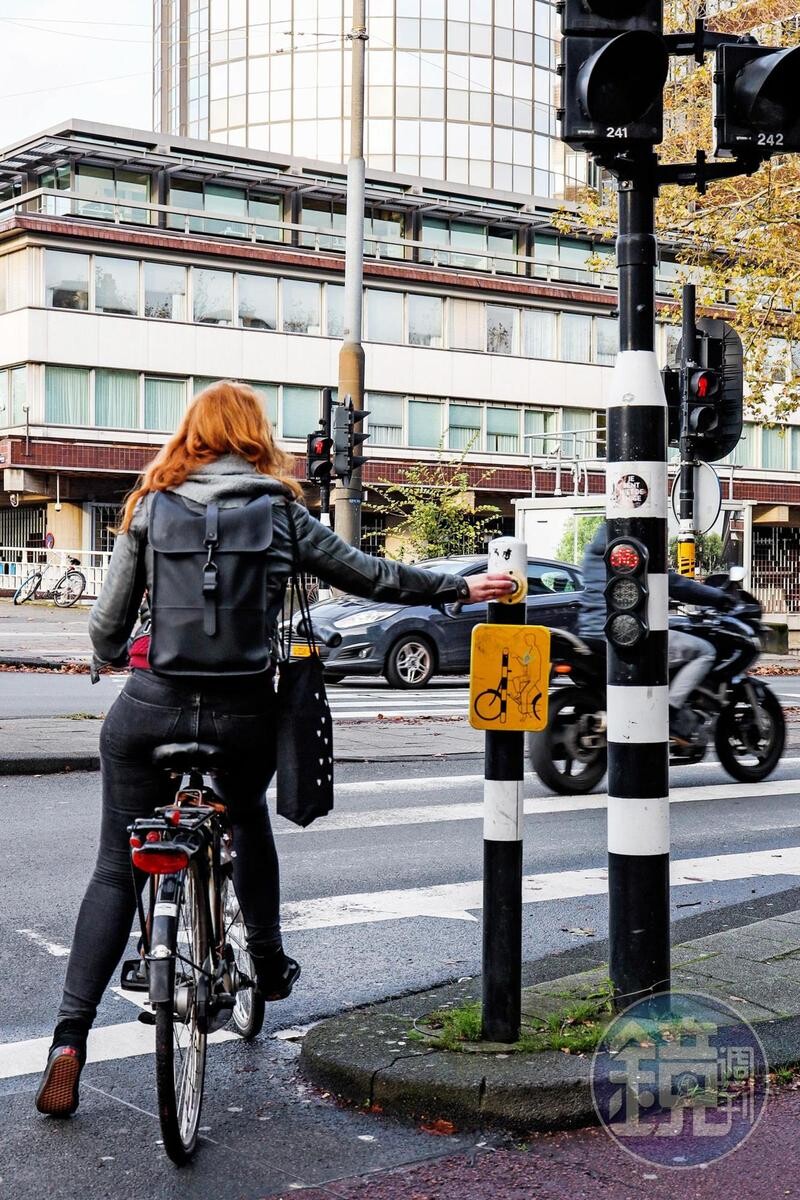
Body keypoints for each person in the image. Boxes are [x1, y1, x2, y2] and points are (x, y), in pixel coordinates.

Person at [36, 381, 515, 1118]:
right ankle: (265, 959)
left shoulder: (148, 506)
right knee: (246, 817)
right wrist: (461, 587)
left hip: (148, 711)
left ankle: (68, 1041)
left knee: (113, 868)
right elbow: (371, 576)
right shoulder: (282, 512)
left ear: (189, 437)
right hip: (242, 717)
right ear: (256, 437)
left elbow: (107, 624)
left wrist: (111, 651)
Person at [577, 523, 731, 742]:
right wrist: (717, 597)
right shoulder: (633, 551)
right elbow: (673, 583)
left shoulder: (593, 554)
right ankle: (671, 713)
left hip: (591, 633)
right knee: (704, 651)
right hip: (629, 634)